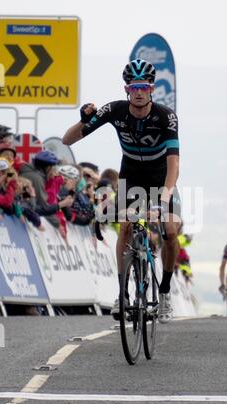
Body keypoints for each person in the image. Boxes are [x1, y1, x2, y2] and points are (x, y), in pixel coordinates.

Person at [63, 59, 181, 323]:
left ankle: (164, 293)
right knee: (126, 226)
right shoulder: (114, 110)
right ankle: (122, 294)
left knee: (170, 231)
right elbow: (67, 140)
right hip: (131, 177)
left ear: (152, 89)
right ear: (126, 88)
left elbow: (174, 164)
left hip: (162, 179)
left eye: (144, 86)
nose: (139, 91)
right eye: (134, 86)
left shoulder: (166, 116)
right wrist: (83, 120)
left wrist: (163, 200)